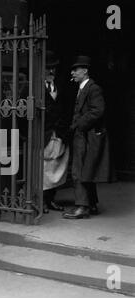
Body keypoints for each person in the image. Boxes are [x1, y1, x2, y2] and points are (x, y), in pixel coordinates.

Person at [63, 56, 112, 219]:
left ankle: (82, 207)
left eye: (76, 70)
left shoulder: (93, 88)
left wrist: (79, 125)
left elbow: (98, 110)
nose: (73, 73)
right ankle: (91, 204)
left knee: (78, 171)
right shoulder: (84, 87)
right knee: (87, 171)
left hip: (86, 135)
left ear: (85, 71)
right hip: (84, 135)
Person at [43, 51, 69, 214]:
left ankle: (50, 199)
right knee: (43, 169)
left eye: (53, 68)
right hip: (42, 135)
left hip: (58, 134)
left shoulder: (61, 86)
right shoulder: (33, 86)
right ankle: (41, 201)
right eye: (48, 68)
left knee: (57, 168)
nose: (51, 71)